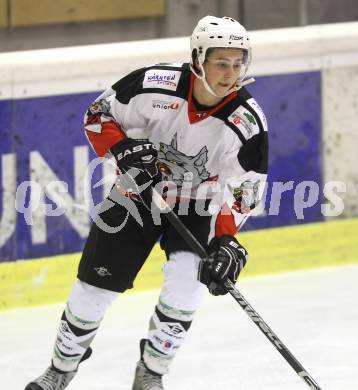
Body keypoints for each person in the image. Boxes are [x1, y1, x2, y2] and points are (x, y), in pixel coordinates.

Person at [25, 15, 268, 390]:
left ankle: (150, 374)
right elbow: (97, 115)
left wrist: (225, 239)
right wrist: (121, 148)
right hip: (137, 192)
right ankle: (60, 369)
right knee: (93, 288)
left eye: (238, 63)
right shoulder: (155, 83)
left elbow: (245, 189)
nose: (230, 73)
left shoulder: (247, 121)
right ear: (198, 59)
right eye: (221, 61)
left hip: (198, 204)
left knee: (185, 290)